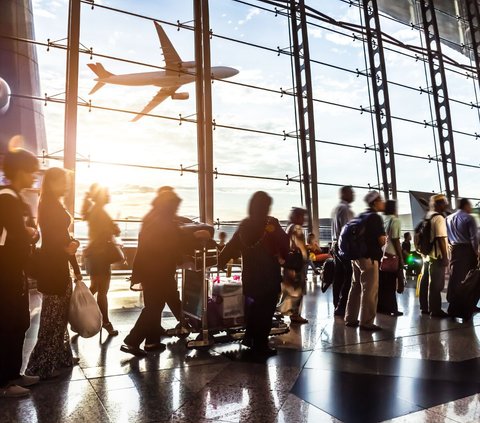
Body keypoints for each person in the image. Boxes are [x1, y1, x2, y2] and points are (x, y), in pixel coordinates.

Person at [121, 187, 211, 356]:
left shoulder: (154, 216)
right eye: (175, 207)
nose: (176, 210)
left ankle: (152, 342)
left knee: (156, 304)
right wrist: (196, 236)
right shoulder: (161, 220)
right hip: (157, 271)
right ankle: (131, 341)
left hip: (152, 270)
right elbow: (171, 239)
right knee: (153, 308)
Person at [26, 167, 82, 380]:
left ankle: (60, 357)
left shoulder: (51, 204)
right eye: (63, 182)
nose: (67, 186)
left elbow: (61, 237)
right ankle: (39, 365)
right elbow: (54, 239)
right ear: (52, 183)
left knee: (58, 316)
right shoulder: (49, 205)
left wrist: (71, 247)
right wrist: (68, 246)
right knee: (52, 317)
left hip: (57, 267)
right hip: (54, 269)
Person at [219, 191, 289, 357]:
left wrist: (221, 261)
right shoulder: (270, 224)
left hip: (251, 277)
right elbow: (284, 242)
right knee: (265, 312)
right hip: (268, 277)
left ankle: (250, 338)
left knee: (254, 309)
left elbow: (230, 246)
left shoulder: (245, 225)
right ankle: (260, 345)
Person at [0, 148, 40, 398]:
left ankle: (14, 373)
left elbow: (28, 231)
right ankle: (4, 382)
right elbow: (19, 232)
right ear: (20, 171)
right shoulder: (7, 197)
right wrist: (29, 232)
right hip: (5, 270)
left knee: (20, 322)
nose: (34, 177)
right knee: (8, 324)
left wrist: (29, 232)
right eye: (31, 171)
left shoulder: (15, 197)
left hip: (14, 269)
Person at [82, 183, 120, 336]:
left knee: (96, 288)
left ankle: (79, 314)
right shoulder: (100, 213)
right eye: (107, 192)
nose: (109, 195)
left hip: (95, 256)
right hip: (100, 256)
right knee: (102, 291)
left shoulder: (94, 211)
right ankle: (105, 322)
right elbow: (105, 234)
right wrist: (114, 228)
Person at [344, 190, 386, 331]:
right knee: (370, 290)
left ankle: (350, 318)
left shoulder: (361, 216)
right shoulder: (375, 218)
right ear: (375, 202)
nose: (383, 203)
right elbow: (381, 241)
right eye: (381, 200)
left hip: (356, 257)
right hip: (369, 258)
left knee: (355, 287)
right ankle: (366, 322)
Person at [418, 194, 449, 318]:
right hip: (437, 256)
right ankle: (435, 310)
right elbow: (441, 238)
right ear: (439, 204)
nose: (446, 205)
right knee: (437, 284)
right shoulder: (439, 218)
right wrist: (445, 256)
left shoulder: (427, 216)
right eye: (444, 202)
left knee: (427, 282)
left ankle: (425, 307)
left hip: (427, 255)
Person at [278, 207, 309, 324]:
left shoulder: (289, 227)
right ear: (296, 217)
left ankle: (283, 312)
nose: (304, 219)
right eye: (302, 216)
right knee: (297, 289)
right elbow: (301, 247)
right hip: (295, 264)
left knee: (288, 290)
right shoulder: (297, 228)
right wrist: (305, 256)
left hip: (288, 263)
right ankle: (295, 315)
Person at [446, 198, 479, 306]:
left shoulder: (448, 218)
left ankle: (453, 303)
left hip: (454, 250)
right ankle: (468, 304)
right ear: (465, 206)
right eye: (469, 205)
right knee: (470, 278)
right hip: (467, 250)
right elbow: (474, 238)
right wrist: (477, 253)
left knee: (455, 277)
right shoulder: (469, 218)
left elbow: (447, 237)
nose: (470, 208)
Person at [377, 200, 404, 316]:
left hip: (382, 254)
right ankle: (392, 308)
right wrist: (401, 257)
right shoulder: (395, 220)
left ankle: (381, 307)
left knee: (383, 283)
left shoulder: (382, 219)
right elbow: (396, 239)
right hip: (392, 254)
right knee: (392, 282)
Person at [331, 186, 355, 316]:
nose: (353, 194)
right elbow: (348, 231)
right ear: (344, 194)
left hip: (336, 245)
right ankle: (343, 305)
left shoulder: (337, 209)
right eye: (351, 192)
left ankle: (337, 304)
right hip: (344, 246)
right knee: (349, 276)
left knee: (338, 276)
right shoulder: (345, 209)